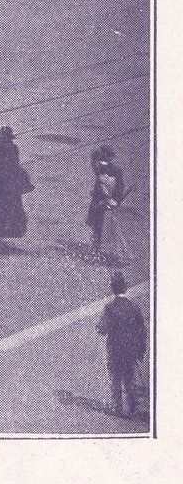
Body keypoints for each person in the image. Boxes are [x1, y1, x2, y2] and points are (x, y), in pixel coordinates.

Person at [98, 272, 146, 419]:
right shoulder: (134, 307)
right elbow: (142, 330)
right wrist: (141, 350)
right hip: (130, 350)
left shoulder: (110, 308)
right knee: (129, 378)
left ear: (113, 289)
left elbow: (102, 329)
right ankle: (133, 406)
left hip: (115, 350)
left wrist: (99, 326)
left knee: (116, 379)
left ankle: (118, 407)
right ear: (125, 288)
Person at [0, 126, 32, 251]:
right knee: (10, 205)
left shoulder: (6, 148)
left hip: (3, 182)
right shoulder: (12, 147)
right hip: (8, 182)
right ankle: (7, 227)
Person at [87, 146, 129, 262]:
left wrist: (114, 200)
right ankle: (95, 250)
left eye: (101, 160)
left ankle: (109, 253)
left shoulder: (115, 172)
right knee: (96, 227)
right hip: (98, 203)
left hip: (108, 204)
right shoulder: (98, 168)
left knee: (108, 228)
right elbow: (100, 186)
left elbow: (119, 188)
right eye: (96, 161)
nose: (97, 164)